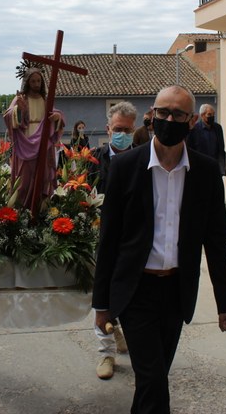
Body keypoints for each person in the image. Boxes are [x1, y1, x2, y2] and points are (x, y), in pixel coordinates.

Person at [92, 85, 226, 413]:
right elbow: (110, 240)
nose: (168, 119)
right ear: (152, 116)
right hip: (136, 290)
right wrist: (102, 305)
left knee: (152, 378)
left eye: (177, 114)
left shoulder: (205, 173)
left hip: (177, 290)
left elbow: (216, 244)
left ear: (190, 122)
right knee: (154, 377)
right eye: (162, 112)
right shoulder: (126, 167)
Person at [87, 101, 138, 380]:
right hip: (100, 238)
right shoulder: (94, 159)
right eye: (118, 129)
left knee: (130, 295)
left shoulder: (144, 160)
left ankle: (122, 333)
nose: (122, 134)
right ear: (108, 129)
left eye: (128, 130)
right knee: (102, 297)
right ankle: (105, 354)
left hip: (132, 242)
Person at [3, 67, 64, 208]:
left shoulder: (45, 99)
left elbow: (56, 115)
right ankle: (22, 209)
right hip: (25, 140)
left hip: (43, 141)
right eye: (33, 81)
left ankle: (41, 209)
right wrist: (19, 109)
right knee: (23, 179)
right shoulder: (21, 98)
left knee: (43, 176)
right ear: (27, 82)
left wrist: (57, 117)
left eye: (38, 81)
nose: (36, 84)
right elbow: (8, 115)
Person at [187, 103, 226, 176]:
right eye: (209, 114)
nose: (212, 116)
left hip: (215, 167)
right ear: (202, 115)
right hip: (200, 168)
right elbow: (190, 148)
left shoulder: (218, 128)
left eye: (213, 114)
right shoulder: (194, 129)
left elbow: (221, 148)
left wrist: (222, 168)